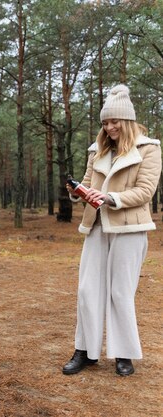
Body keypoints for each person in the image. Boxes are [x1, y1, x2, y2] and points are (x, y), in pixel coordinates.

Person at [63, 84, 161, 377]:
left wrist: (111, 198)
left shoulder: (149, 148)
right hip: (96, 226)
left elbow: (145, 191)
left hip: (129, 228)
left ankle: (123, 354)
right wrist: (77, 192)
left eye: (114, 121)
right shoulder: (97, 149)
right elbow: (87, 181)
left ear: (127, 120)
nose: (109, 127)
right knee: (87, 289)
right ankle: (85, 351)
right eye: (105, 122)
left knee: (121, 291)